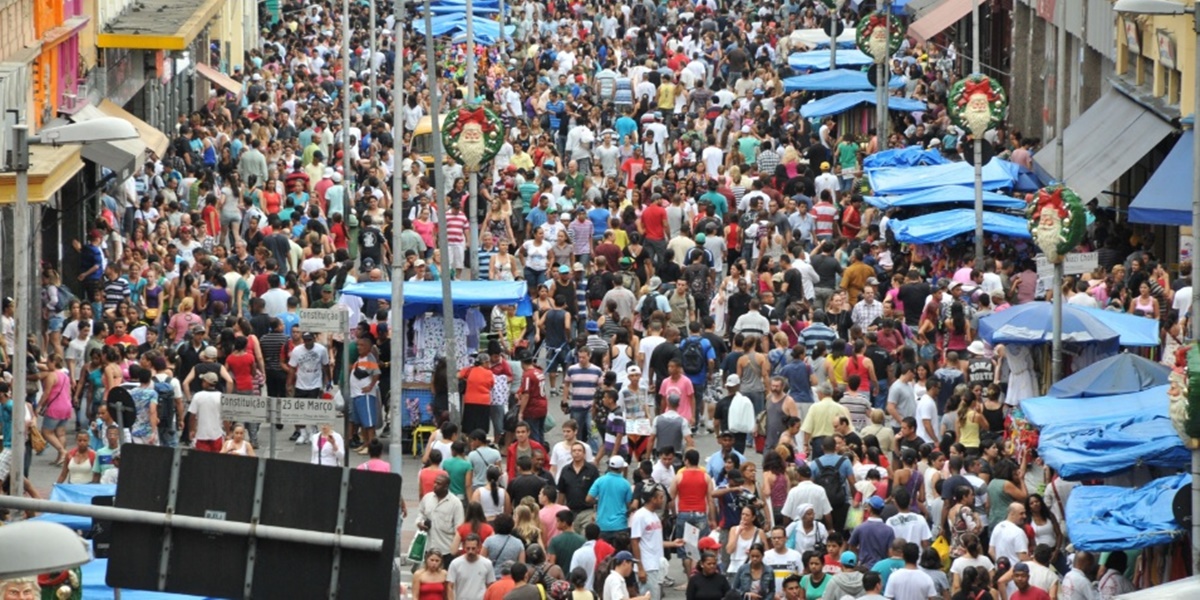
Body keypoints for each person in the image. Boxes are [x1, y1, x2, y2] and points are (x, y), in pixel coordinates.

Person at [419, 473, 466, 558]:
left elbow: (459, 528)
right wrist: (420, 523)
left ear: (446, 486)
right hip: (428, 548)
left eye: (439, 484)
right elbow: (420, 514)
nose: (435, 485)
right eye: (435, 482)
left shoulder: (455, 503)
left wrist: (456, 549)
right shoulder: (427, 498)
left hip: (446, 551)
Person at [448, 533, 496, 600]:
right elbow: (450, 586)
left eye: (473, 548)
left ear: (479, 547)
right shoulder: (455, 563)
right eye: (468, 548)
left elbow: (490, 585)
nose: (470, 551)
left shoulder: (487, 563)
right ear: (464, 547)